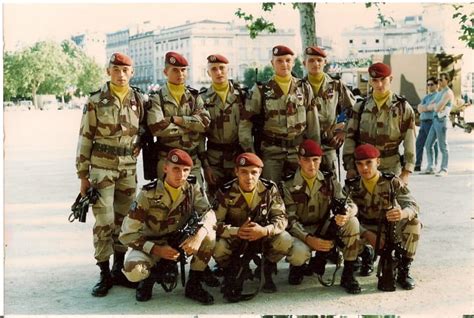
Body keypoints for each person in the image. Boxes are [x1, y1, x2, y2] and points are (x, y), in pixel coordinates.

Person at [75, 52, 145, 297]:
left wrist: (140, 144)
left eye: (126, 70)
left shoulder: (139, 98)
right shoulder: (96, 100)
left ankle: (119, 268)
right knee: (104, 221)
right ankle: (104, 273)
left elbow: (144, 129)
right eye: (116, 69)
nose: (121, 74)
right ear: (108, 71)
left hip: (127, 168)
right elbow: (85, 137)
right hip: (102, 168)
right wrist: (83, 175)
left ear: (132, 72)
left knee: (124, 220)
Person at [119, 149, 219, 304]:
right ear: (165, 168)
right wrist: (157, 250)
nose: (181, 175)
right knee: (134, 271)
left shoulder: (192, 187)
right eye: (176, 169)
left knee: (209, 235)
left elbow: (209, 214)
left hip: (181, 240)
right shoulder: (148, 194)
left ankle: (194, 283)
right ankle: (149, 278)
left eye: (186, 170)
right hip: (152, 243)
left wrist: (198, 237)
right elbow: (126, 235)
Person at [281, 140, 361, 294]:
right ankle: (298, 266)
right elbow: (289, 220)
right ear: (299, 160)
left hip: (323, 227)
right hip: (300, 231)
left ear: (321, 159)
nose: (311, 165)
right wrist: (308, 239)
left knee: (352, 222)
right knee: (299, 254)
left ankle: (348, 273)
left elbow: (350, 203)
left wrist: (347, 213)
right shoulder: (288, 185)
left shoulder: (329, 180)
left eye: (315, 160)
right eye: (306, 160)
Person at [213, 152, 292, 301]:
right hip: (236, 238)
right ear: (236, 171)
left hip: (262, 237)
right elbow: (214, 224)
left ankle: (266, 269)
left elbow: (281, 218)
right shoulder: (226, 191)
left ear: (260, 172)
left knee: (285, 239)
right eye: (244, 172)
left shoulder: (269, 189)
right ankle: (232, 270)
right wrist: (237, 231)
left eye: (253, 172)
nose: (249, 177)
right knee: (218, 247)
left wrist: (265, 230)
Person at [239, 45, 320, 182]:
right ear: (272, 63)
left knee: (299, 192)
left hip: (298, 152)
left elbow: (313, 123)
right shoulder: (261, 90)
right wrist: (251, 153)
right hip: (271, 152)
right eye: (279, 61)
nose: (284, 64)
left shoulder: (304, 88)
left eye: (288, 60)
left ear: (293, 63)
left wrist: (314, 151)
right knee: (271, 192)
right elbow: (246, 123)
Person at [348, 144, 421, 291]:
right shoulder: (352, 186)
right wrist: (367, 234)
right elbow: (345, 214)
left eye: (369, 162)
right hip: (363, 229)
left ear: (378, 162)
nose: (365, 168)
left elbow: (413, 205)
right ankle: (360, 260)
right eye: (360, 164)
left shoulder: (391, 182)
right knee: (345, 225)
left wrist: (402, 213)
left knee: (414, 222)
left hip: (388, 228)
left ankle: (403, 269)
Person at [343, 62, 416, 185]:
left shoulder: (403, 108)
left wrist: (406, 172)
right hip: (364, 168)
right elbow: (350, 138)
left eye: (383, 79)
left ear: (391, 79)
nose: (379, 84)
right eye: (375, 80)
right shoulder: (360, 107)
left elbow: (410, 141)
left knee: (392, 204)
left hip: (391, 169)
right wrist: (350, 167)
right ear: (370, 82)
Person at [147, 51, 210, 186]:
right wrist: (191, 127)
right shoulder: (157, 98)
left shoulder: (194, 96)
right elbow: (157, 128)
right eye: (175, 70)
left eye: (183, 70)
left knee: (196, 201)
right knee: (167, 202)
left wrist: (177, 120)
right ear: (165, 72)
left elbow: (205, 123)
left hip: (192, 161)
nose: (180, 74)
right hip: (167, 161)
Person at [303, 46, 356, 178]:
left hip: (328, 146)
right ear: (304, 63)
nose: (316, 64)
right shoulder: (298, 87)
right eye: (311, 60)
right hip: (304, 146)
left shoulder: (336, 86)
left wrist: (344, 130)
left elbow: (355, 110)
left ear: (325, 62)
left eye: (319, 60)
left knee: (331, 187)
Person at [199, 54, 245, 198]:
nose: (218, 72)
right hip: (214, 160)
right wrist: (206, 166)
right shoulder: (202, 98)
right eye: (214, 69)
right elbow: (200, 136)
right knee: (215, 202)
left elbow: (249, 130)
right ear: (208, 73)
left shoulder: (242, 96)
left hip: (237, 156)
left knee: (239, 201)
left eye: (222, 68)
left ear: (228, 69)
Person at [422, 72, 455, 177]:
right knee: (428, 144)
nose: (439, 81)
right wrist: (431, 107)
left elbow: (437, 107)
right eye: (439, 79)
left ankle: (444, 169)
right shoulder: (441, 92)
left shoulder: (448, 93)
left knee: (443, 146)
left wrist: (431, 107)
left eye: (441, 79)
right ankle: (431, 166)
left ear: (447, 81)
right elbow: (430, 105)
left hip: (441, 121)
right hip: (435, 120)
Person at [415, 77, 439, 171]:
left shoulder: (437, 96)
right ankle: (417, 164)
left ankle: (434, 163)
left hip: (431, 122)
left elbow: (430, 108)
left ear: (436, 85)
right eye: (428, 84)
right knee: (419, 143)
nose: (429, 86)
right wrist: (425, 107)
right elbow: (419, 108)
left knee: (432, 144)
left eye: (431, 84)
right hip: (423, 122)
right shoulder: (426, 97)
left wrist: (425, 108)